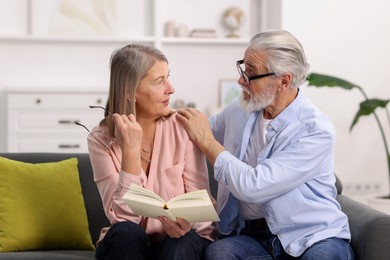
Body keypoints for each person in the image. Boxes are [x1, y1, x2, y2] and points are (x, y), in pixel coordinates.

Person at [176, 30, 355, 259]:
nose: (241, 80)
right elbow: (195, 130)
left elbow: (254, 186)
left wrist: (208, 143)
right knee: (218, 254)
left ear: (283, 81)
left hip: (312, 235)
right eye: (243, 69)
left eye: (251, 74)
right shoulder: (240, 109)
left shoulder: (315, 130)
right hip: (253, 236)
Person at [87, 44, 216, 260]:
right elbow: (121, 217)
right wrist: (129, 151)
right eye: (159, 81)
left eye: (168, 77)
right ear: (130, 92)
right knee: (126, 233)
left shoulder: (183, 127)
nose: (171, 88)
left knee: (181, 242)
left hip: (182, 238)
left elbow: (202, 204)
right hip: (129, 242)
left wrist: (187, 222)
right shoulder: (100, 139)